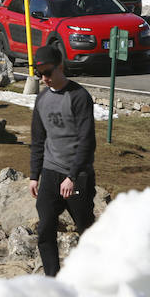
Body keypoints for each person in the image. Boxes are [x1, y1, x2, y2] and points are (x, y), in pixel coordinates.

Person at [29, 44, 96, 276]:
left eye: (48, 72)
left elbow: (87, 142)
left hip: (77, 176)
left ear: (61, 67)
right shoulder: (42, 100)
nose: (45, 78)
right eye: (40, 74)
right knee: (45, 228)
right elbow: (38, 139)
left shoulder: (79, 97)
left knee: (86, 228)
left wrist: (72, 177)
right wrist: (33, 176)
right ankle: (52, 281)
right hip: (50, 172)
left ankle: (95, 276)